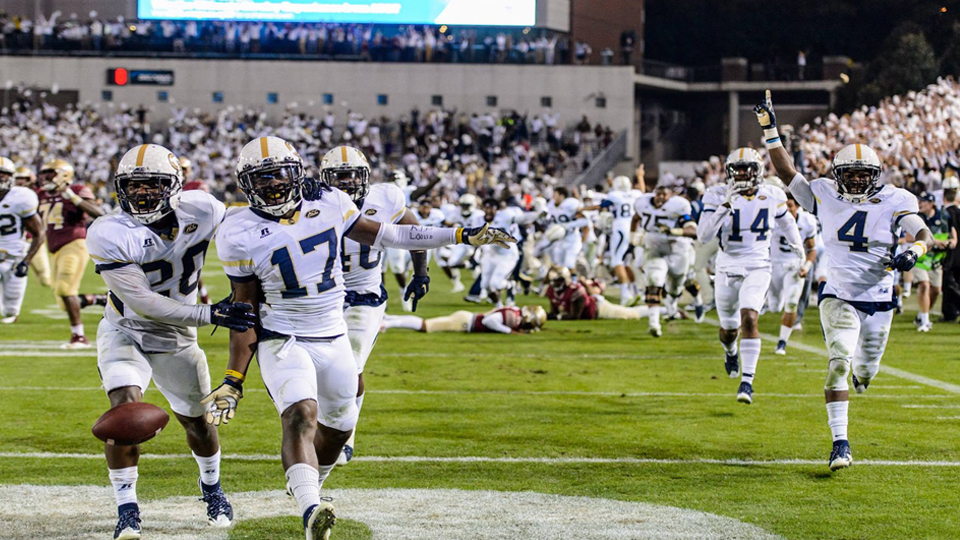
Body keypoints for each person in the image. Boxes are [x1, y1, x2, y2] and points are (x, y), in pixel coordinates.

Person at [206, 136, 514, 540]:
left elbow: (392, 235)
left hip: (334, 336)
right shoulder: (238, 229)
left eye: (281, 174)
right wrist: (233, 378)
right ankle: (310, 509)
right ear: (246, 184)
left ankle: (309, 485)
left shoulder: (331, 202)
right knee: (300, 414)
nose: (274, 185)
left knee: (339, 427)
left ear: (298, 173)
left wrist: (458, 235)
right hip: (283, 337)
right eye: (262, 178)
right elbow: (243, 309)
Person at [86, 144, 257, 540]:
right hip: (125, 328)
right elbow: (144, 303)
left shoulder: (203, 208)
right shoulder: (109, 231)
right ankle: (127, 508)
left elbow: (244, 225)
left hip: (178, 336)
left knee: (198, 422)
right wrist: (211, 313)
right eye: (134, 185)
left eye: (153, 184)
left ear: (175, 186)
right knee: (124, 412)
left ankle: (212, 487)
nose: (142, 193)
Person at [757, 90, 932, 470]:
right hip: (838, 295)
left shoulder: (895, 198)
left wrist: (914, 252)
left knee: (865, 370)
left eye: (861, 174)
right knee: (839, 361)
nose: (854, 180)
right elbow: (787, 172)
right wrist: (771, 132)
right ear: (837, 175)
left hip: (881, 299)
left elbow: (924, 236)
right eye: (849, 174)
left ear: (875, 177)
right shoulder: (823, 193)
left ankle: (862, 377)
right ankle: (840, 443)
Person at [318, 145, 428, 466]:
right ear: (326, 179)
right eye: (340, 176)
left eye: (353, 174)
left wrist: (420, 273)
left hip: (365, 295)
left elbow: (414, 232)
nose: (348, 181)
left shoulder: (385, 198)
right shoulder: (312, 203)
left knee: (350, 366)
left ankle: (346, 435)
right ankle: (327, 426)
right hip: (325, 298)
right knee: (318, 370)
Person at [697, 147, 803, 405]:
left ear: (758, 172)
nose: (743, 174)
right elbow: (703, 236)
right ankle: (730, 351)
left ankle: (747, 381)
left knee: (750, 318)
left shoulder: (773, 194)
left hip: (758, 264)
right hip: (726, 266)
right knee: (729, 330)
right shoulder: (717, 194)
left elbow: (788, 224)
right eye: (738, 169)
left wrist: (799, 250)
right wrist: (726, 205)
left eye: (748, 169)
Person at [36, 158, 107, 348]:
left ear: (63, 174)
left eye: (50, 173)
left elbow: (98, 213)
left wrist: (70, 195)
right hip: (53, 248)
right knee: (63, 301)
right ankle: (102, 299)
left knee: (65, 289)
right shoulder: (41, 194)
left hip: (74, 243)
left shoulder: (76, 190)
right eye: (43, 173)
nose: (44, 177)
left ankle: (79, 337)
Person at [633, 182, 698, 337]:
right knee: (654, 281)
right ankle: (654, 324)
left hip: (677, 250)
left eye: (664, 195)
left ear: (671, 197)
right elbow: (636, 218)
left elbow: (693, 230)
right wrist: (632, 236)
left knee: (676, 285)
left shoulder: (679, 207)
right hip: (654, 248)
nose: (660, 197)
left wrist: (673, 230)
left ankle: (672, 305)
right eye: (658, 194)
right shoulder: (644, 203)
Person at [770, 194, 818, 354]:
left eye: (790, 205)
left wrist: (807, 266)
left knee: (791, 302)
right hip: (774, 265)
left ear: (797, 206)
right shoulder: (773, 218)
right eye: (785, 206)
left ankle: (782, 342)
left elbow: (812, 250)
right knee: (774, 306)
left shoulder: (807, 221)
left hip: (794, 265)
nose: (787, 209)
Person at [0, 157, 45, 324]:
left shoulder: (21, 197)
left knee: (10, 310)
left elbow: (39, 233)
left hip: (14, 257)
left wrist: (26, 261)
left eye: (5, 174)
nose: (1, 177)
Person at [911, 192, 952, 332]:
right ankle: (925, 320)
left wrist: (951, 242)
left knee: (935, 289)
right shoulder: (915, 217)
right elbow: (909, 237)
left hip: (935, 260)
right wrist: (935, 242)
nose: (920, 204)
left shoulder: (943, 216)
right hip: (920, 258)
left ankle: (921, 315)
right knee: (924, 285)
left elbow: (952, 233)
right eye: (919, 201)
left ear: (931, 204)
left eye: (923, 201)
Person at [544, 266, 649, 320]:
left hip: (600, 308)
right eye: (553, 280)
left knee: (630, 314)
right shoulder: (551, 291)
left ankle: (656, 310)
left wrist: (557, 317)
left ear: (565, 280)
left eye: (558, 280)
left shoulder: (575, 290)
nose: (555, 284)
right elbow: (554, 312)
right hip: (591, 311)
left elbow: (575, 316)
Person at [382, 305, 546, 334]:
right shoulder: (514, 316)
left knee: (425, 322)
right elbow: (489, 321)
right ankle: (389, 323)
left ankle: (388, 318)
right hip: (465, 322)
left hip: (466, 318)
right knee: (425, 325)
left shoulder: (515, 310)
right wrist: (508, 330)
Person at [13, 166, 52, 288]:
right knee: (11, 277)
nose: (20, 182)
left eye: (23, 178)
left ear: (30, 179)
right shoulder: (8, 194)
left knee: (45, 278)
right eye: (18, 178)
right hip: (14, 241)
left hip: (33, 239)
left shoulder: (39, 193)